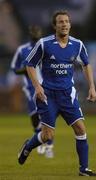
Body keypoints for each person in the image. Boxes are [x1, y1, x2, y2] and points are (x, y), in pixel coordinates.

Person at [18, 11, 96, 176]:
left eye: (67, 21)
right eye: (61, 22)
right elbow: (29, 64)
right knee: (47, 136)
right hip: (48, 96)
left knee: (81, 129)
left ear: (70, 24)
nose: (64, 24)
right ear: (55, 26)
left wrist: (92, 86)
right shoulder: (44, 43)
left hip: (68, 95)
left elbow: (86, 64)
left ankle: (84, 169)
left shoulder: (77, 44)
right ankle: (27, 147)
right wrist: (37, 87)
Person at [11, 25, 54, 158]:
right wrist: (24, 70)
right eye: (33, 31)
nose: (36, 33)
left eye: (38, 30)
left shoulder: (46, 47)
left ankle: (49, 146)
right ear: (30, 33)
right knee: (35, 117)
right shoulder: (22, 49)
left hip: (47, 86)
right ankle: (40, 140)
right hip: (30, 88)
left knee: (48, 116)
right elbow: (14, 68)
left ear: (41, 32)